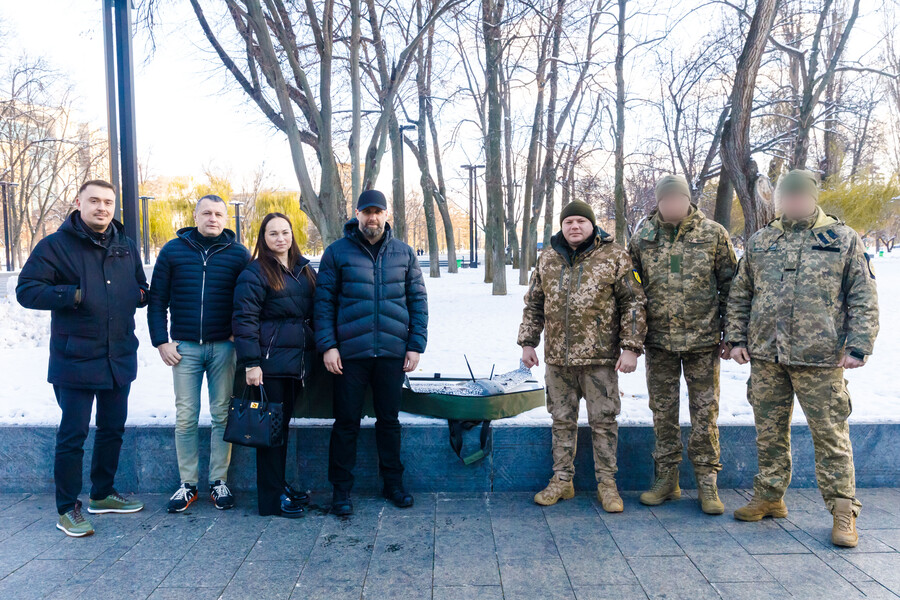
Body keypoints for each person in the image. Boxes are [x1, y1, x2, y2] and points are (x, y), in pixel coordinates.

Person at [725, 169, 879, 548]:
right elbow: (741, 293)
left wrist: (858, 345)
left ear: (812, 198)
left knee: (830, 436)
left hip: (822, 358)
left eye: (801, 197)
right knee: (769, 431)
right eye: (787, 198)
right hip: (767, 356)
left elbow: (863, 294)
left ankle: (844, 512)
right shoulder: (762, 241)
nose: (794, 203)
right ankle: (770, 495)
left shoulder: (841, 239)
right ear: (779, 202)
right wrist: (736, 338)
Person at [16, 180, 148, 537]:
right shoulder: (55, 246)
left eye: (108, 202)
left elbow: (139, 284)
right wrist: (72, 295)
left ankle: (102, 494)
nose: (102, 208)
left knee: (112, 429)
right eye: (94, 201)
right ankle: (67, 508)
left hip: (118, 354)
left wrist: (139, 295)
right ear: (79, 203)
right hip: (75, 357)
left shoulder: (124, 245)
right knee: (73, 435)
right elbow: (26, 290)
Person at [518, 201, 647, 513]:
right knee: (561, 420)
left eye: (580, 221)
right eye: (568, 222)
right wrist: (527, 342)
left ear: (592, 225)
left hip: (600, 359)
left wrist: (631, 347)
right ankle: (562, 480)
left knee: (604, 422)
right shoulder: (548, 258)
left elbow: (634, 301)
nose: (574, 227)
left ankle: (608, 485)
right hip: (557, 360)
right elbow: (535, 303)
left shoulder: (615, 256)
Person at [314, 190, 428, 516]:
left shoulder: (404, 254)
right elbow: (323, 304)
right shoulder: (337, 253)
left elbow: (418, 303)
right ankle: (341, 490)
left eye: (378, 212)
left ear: (386, 214)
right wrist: (328, 346)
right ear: (357, 214)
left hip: (392, 353)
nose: (372, 218)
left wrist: (415, 345)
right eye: (367, 212)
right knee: (346, 422)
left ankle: (393, 483)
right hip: (349, 355)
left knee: (389, 422)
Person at [628, 175, 737, 515]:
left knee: (705, 414)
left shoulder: (713, 234)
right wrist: (634, 339)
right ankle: (666, 479)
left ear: (688, 200)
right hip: (659, 342)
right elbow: (632, 292)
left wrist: (730, 335)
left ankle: (707, 482)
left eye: (678, 198)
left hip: (703, 342)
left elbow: (732, 287)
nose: (671, 204)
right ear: (658, 202)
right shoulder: (642, 237)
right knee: (662, 412)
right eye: (666, 200)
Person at [147, 194, 250, 513]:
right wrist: (161, 341)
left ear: (225, 218)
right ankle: (187, 484)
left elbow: (248, 299)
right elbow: (157, 300)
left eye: (219, 214)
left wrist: (239, 334)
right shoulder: (173, 251)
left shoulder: (238, 254)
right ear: (195, 216)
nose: (213, 219)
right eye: (207, 213)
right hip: (185, 349)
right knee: (186, 416)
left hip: (223, 347)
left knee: (222, 414)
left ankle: (219, 481)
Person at [232, 213, 316, 518]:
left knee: (280, 431)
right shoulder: (255, 273)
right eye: (273, 234)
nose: (281, 238)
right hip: (269, 364)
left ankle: (279, 486)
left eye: (285, 232)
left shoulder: (303, 269)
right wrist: (251, 364)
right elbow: (244, 320)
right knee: (271, 433)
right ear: (263, 239)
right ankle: (270, 499)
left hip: (296, 362)